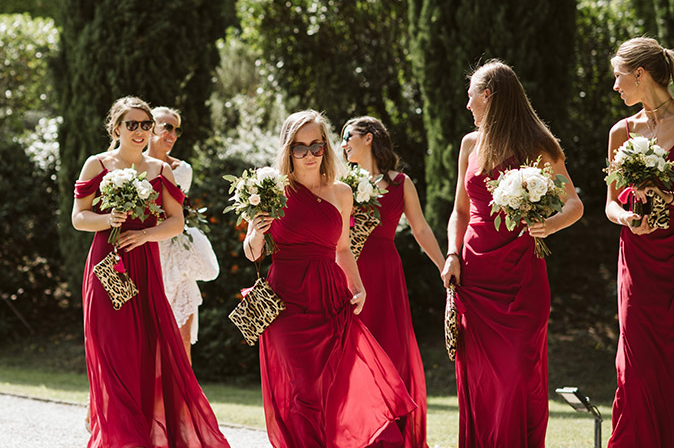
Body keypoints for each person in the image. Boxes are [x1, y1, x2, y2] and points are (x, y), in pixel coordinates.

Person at [244, 109, 416, 448]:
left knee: (332, 387)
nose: (309, 155)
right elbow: (252, 252)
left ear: (326, 148)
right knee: (304, 388)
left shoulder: (341, 193)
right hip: (285, 299)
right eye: (300, 147)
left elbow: (342, 249)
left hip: (329, 298)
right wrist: (257, 232)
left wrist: (358, 285)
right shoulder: (270, 191)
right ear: (287, 150)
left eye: (316, 146)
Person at [72, 96, 229, 448]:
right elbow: (78, 216)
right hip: (107, 267)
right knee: (111, 351)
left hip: (144, 267)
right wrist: (107, 220)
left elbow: (176, 222)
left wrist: (144, 234)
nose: (141, 131)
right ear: (116, 128)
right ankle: (121, 439)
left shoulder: (161, 172)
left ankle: (143, 434)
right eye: (133, 124)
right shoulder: (96, 165)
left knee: (146, 352)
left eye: (146, 125)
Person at [441, 60, 583, 448]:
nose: (467, 106)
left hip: (521, 279)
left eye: (471, 97)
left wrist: (549, 225)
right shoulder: (470, 144)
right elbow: (459, 210)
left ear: (488, 97)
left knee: (517, 376)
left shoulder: (538, 145)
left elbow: (574, 204)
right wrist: (451, 254)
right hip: (475, 276)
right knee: (482, 382)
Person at [604, 38, 674, 447]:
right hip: (638, 261)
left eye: (618, 77)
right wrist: (629, 219)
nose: (615, 88)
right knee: (637, 369)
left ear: (640, 75)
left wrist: (672, 198)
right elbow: (611, 204)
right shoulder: (621, 131)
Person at [341, 116, 444, 448]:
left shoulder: (401, 183)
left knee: (392, 350)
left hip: (386, 274)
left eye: (348, 137)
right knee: (351, 354)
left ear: (369, 139)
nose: (343, 145)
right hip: (348, 272)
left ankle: (392, 436)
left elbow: (421, 229)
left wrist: (444, 266)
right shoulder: (339, 184)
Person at [148, 106, 220, 363]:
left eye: (176, 129)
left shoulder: (182, 170)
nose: (172, 134)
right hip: (147, 251)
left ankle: (183, 403)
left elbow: (169, 211)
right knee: (148, 341)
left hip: (176, 253)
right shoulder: (131, 166)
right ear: (150, 126)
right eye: (166, 126)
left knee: (182, 342)